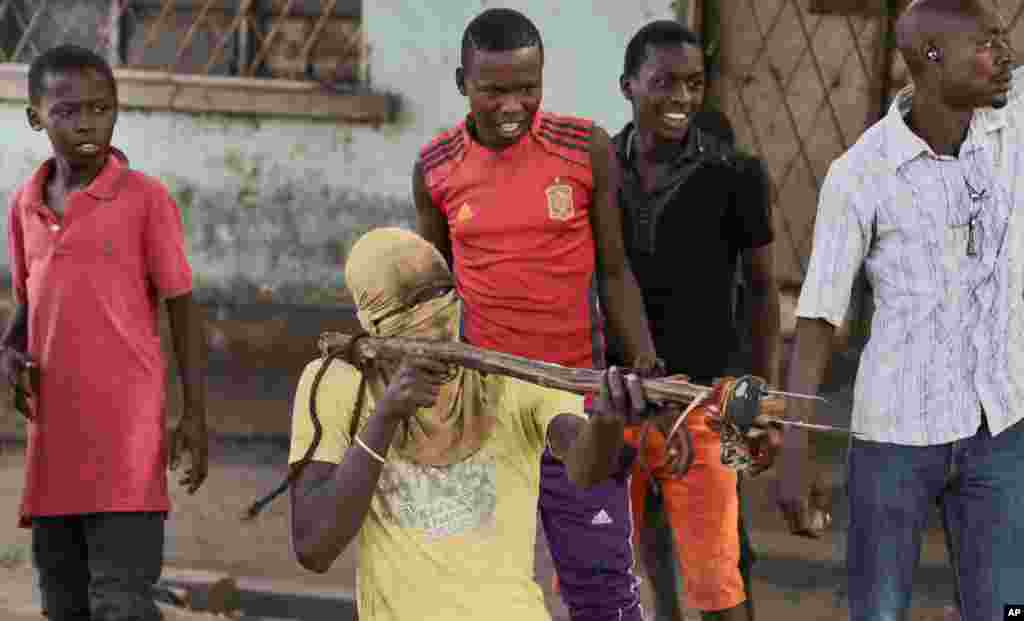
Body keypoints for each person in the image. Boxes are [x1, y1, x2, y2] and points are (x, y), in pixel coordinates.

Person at [412, 8, 659, 621]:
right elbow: (433, 297)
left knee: (602, 592)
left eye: (528, 87)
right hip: (484, 415)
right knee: (482, 594)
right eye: (494, 89)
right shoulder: (436, 168)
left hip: (575, 403)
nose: (513, 104)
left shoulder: (584, 148)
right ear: (462, 83)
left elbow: (614, 269)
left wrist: (645, 362)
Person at [782, 1, 1024, 619]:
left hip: (999, 424)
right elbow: (817, 317)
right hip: (895, 435)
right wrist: (794, 451)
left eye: (1006, 41)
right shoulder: (862, 173)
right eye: (988, 45)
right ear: (933, 57)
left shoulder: (1012, 122)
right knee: (878, 612)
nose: (1007, 58)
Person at [286, 227, 657, 621]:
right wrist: (387, 414)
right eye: (413, 303)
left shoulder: (510, 378)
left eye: (443, 293)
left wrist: (608, 418)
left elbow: (587, 469)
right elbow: (314, 547)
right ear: (372, 320)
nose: (435, 312)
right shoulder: (341, 383)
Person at [1, 44, 208, 621]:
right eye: (68, 110)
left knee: (120, 598)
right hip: (55, 442)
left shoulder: (145, 200)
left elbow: (182, 307)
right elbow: (30, 303)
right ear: (35, 116)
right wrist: (10, 351)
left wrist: (194, 414)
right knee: (63, 601)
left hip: (127, 439)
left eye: (101, 108)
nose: (87, 122)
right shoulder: (26, 205)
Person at [612, 22, 781, 621]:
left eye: (694, 84)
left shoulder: (735, 176)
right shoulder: (600, 172)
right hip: (623, 392)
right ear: (628, 85)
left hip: (714, 393)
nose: (682, 98)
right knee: (640, 536)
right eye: (664, 83)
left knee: (727, 556)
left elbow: (762, 293)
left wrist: (759, 402)